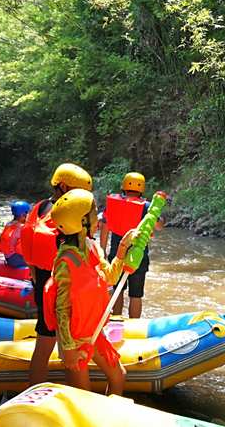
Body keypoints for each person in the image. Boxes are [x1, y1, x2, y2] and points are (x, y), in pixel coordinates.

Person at [45, 188, 137, 395]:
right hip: (74, 338)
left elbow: (111, 277)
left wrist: (122, 249)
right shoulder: (64, 261)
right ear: (81, 222)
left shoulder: (92, 247)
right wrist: (68, 349)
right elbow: (61, 309)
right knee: (83, 395)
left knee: (118, 376)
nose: (99, 219)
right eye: (95, 214)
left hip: (94, 331)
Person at [20, 163, 93, 385]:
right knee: (70, 350)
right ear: (62, 186)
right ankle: (78, 404)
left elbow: (31, 257)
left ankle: (32, 393)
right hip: (61, 291)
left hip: (43, 284)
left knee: (44, 343)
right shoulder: (66, 215)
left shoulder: (39, 207)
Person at [100, 172, 164, 318]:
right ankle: (134, 325)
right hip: (138, 255)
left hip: (117, 254)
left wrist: (102, 250)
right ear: (142, 188)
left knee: (118, 290)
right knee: (136, 295)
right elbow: (159, 225)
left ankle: (116, 319)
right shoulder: (146, 207)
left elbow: (105, 226)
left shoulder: (113, 204)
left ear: (124, 186)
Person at [0, 200, 31, 268]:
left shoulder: (9, 224)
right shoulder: (22, 227)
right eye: (28, 213)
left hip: (8, 257)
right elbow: (20, 249)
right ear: (23, 214)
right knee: (37, 260)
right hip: (15, 259)